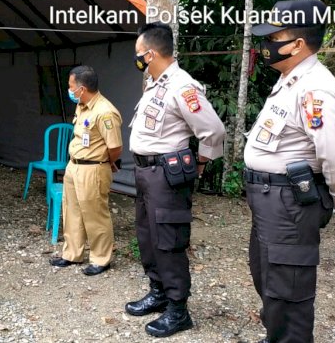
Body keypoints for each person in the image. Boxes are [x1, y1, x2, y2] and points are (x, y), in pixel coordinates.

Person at [246, 0, 335, 343]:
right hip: (271, 201)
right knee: (269, 278)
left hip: (289, 203)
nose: (266, 44)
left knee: (288, 290)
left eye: (273, 37)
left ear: (296, 44)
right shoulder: (291, 80)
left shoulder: (315, 87)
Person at [125, 22, 225, 338]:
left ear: (151, 54)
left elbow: (214, 130)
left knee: (168, 241)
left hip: (165, 177)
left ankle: (178, 310)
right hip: (145, 173)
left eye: (139, 53)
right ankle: (158, 292)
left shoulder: (182, 86)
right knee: (148, 236)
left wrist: (200, 162)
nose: (137, 58)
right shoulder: (155, 85)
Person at [49, 65, 122, 277]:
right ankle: (72, 254)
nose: (69, 90)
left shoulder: (105, 111)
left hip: (93, 168)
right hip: (74, 165)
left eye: (71, 86)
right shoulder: (82, 105)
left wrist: (104, 163)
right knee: (71, 211)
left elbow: (115, 147)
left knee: (95, 215)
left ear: (82, 89)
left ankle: (101, 259)